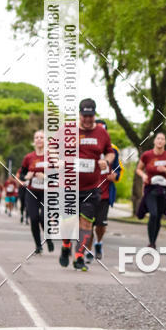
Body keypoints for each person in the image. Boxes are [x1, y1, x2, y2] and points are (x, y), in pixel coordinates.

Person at [59, 98, 115, 272]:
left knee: (86, 224)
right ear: (79, 114)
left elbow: (110, 152)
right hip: (69, 186)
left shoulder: (101, 132)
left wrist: (106, 160)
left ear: (94, 114)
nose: (88, 119)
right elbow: (52, 148)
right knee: (68, 223)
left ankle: (79, 256)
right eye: (85, 116)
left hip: (91, 188)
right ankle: (66, 245)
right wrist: (58, 160)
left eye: (91, 116)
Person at [86, 119, 123, 263]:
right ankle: (88, 251)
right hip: (89, 192)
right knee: (88, 224)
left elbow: (117, 170)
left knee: (100, 225)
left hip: (105, 194)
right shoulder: (86, 148)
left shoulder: (113, 151)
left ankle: (98, 243)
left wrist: (115, 176)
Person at [136, 133, 166, 248]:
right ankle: (151, 242)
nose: (160, 141)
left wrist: (165, 170)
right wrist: (143, 176)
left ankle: (153, 242)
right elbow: (138, 169)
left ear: (165, 142)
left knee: (158, 216)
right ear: (154, 141)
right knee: (153, 213)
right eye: (158, 138)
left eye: (162, 139)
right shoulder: (147, 155)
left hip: (163, 190)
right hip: (150, 189)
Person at [19, 130, 54, 254]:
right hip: (32, 192)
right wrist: (26, 177)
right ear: (34, 141)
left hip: (47, 192)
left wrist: (45, 177)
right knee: (33, 218)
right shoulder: (28, 157)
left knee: (44, 218)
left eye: (41, 137)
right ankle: (38, 245)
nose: (39, 139)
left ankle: (48, 239)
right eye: (36, 137)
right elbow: (21, 175)